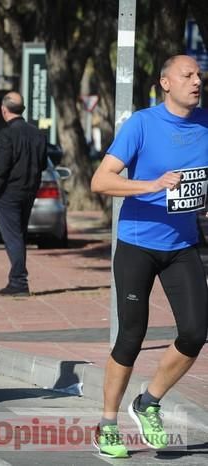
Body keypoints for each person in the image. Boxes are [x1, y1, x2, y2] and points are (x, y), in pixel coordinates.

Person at [90, 55, 208, 458]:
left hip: (182, 245)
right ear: (165, 83)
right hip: (138, 244)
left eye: (198, 75)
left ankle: (148, 401)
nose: (196, 81)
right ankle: (107, 424)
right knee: (131, 336)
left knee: (195, 332)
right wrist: (153, 185)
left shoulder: (206, 124)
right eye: (187, 75)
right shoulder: (142, 123)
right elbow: (101, 181)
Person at [0, 91, 47, 297]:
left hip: (9, 193)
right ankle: (18, 279)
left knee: (13, 237)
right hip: (29, 191)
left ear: (4, 110)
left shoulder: (7, 135)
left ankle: (19, 281)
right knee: (19, 235)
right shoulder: (37, 133)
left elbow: (2, 167)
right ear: (23, 110)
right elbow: (43, 164)